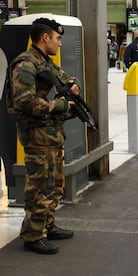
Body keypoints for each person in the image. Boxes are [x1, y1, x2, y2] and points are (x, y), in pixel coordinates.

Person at [8, 18, 77, 254]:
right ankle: (33, 235)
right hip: (37, 135)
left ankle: (48, 225)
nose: (60, 43)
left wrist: (71, 85)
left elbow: (65, 78)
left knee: (55, 184)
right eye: (57, 38)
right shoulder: (26, 64)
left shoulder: (45, 63)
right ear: (45, 37)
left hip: (51, 134)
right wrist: (59, 105)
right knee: (40, 186)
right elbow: (24, 101)